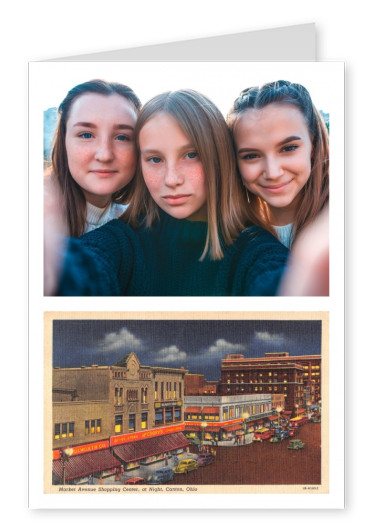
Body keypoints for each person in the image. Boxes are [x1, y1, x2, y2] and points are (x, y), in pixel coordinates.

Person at [47, 89, 289, 296]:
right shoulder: (122, 241)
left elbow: (281, 283)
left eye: (191, 155)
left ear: (218, 158)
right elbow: (85, 267)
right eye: (155, 159)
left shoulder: (257, 252)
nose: (171, 179)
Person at [227, 80, 329, 249]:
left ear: (314, 145)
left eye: (288, 148)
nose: (273, 172)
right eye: (251, 155)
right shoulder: (232, 237)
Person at [47, 79, 141, 237]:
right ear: (64, 142)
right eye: (86, 135)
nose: (104, 155)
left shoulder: (139, 227)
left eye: (122, 137)